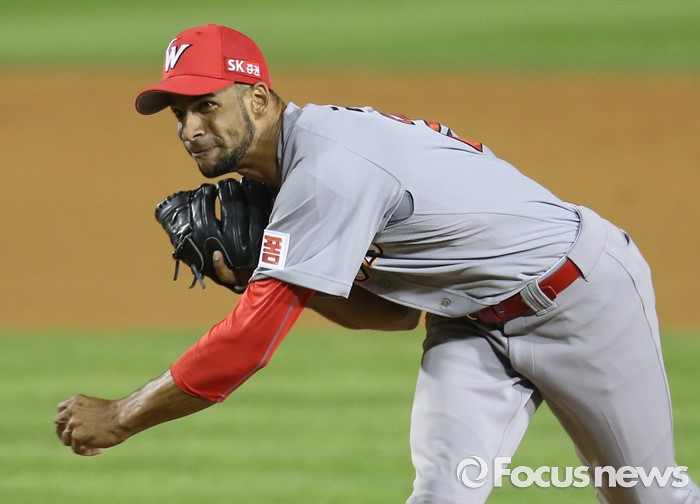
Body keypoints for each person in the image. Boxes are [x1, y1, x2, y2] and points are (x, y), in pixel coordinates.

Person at [55, 24, 699, 504]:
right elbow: (392, 316)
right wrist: (273, 274)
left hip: (582, 299)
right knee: (441, 494)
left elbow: (247, 345)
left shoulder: (328, 170)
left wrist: (122, 415)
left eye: (206, 105)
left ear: (257, 98)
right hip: (470, 322)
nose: (189, 128)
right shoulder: (293, 177)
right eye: (179, 113)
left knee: (646, 495)